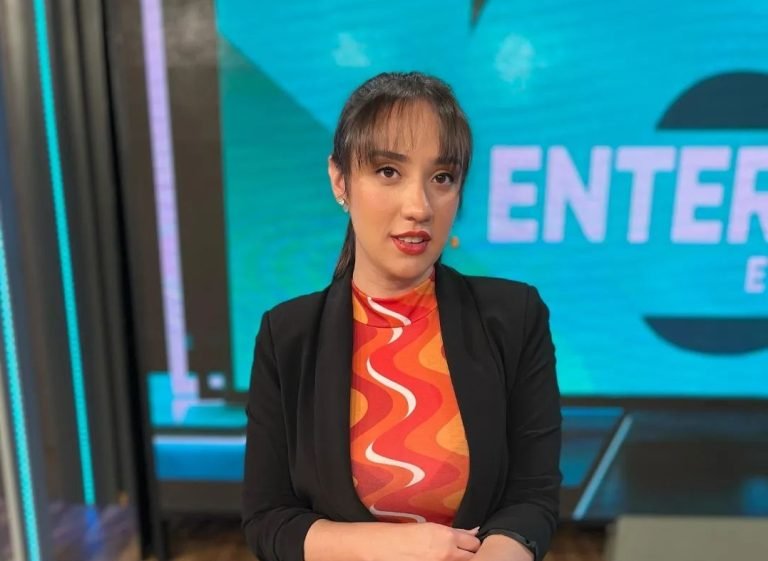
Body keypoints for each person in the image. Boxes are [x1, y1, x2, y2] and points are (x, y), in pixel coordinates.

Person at [242, 72, 562, 561]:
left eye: (442, 177)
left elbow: (532, 497)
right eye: (389, 171)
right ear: (340, 181)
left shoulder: (514, 317)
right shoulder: (288, 336)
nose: (419, 207)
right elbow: (268, 521)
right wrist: (395, 546)